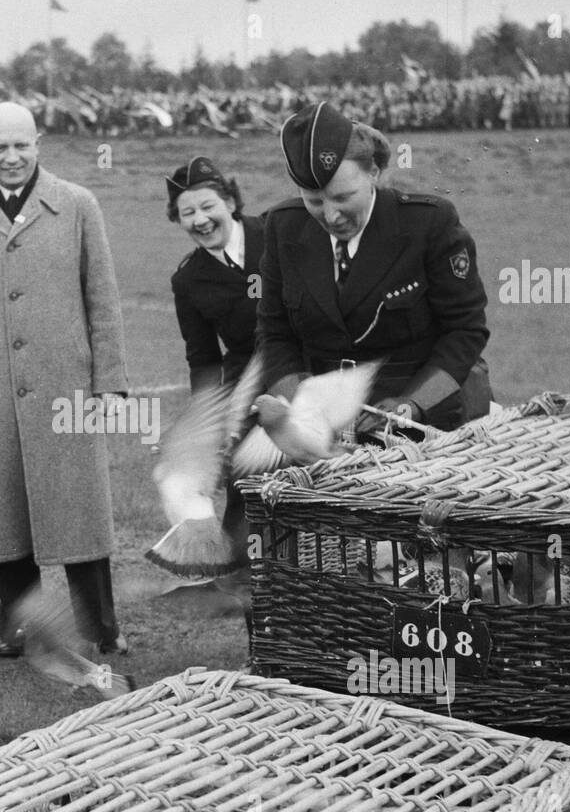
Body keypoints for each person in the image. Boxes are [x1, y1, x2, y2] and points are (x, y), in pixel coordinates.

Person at [0, 101, 129, 659]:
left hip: (67, 389)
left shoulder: (78, 206)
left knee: (80, 510)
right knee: (5, 513)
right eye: (0, 147)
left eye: (22, 145)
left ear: (39, 144)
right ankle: (20, 627)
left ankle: (100, 628)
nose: (12, 157)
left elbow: (103, 301)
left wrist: (109, 383)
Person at [257, 101, 491, 436]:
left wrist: (412, 405)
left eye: (343, 197)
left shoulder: (429, 224)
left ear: (374, 174)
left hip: (422, 419)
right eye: (314, 201)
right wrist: (300, 404)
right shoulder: (283, 228)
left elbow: (466, 330)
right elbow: (274, 333)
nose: (332, 216)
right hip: (323, 424)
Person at [166, 155, 263, 573]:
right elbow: (203, 359)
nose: (201, 220)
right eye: (188, 213)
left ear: (230, 202)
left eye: (208, 206)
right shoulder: (188, 279)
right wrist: (206, 426)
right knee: (247, 499)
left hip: (305, 377)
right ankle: (250, 602)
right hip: (247, 396)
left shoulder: (277, 236)